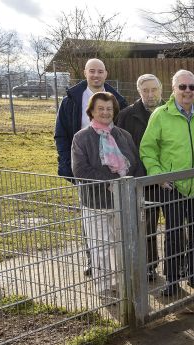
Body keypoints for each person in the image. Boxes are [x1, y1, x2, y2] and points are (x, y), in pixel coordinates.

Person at [141, 70, 194, 297]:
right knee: (174, 233)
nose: (187, 91)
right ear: (173, 89)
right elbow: (147, 148)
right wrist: (157, 174)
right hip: (171, 186)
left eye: (192, 87)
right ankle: (172, 280)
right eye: (182, 87)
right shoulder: (160, 115)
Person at [55, 58, 128, 277]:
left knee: (115, 217)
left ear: (106, 74)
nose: (96, 75)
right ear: (85, 73)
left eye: (100, 71)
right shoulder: (72, 99)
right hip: (85, 166)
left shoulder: (118, 100)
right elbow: (61, 133)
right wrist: (68, 166)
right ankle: (93, 259)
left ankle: (117, 264)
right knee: (90, 215)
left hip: (114, 167)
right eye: (92, 71)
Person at [70, 92, 142, 303]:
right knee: (100, 246)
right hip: (96, 202)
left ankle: (124, 284)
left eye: (109, 109)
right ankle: (104, 288)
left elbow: (136, 164)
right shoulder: (81, 138)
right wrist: (111, 182)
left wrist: (129, 183)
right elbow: (81, 170)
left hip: (124, 202)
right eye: (100, 108)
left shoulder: (123, 136)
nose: (105, 112)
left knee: (123, 245)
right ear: (91, 111)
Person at [115, 74, 163, 281]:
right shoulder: (127, 115)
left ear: (161, 89)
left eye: (154, 89)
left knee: (177, 224)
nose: (150, 94)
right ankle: (149, 265)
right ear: (139, 91)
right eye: (146, 90)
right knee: (147, 225)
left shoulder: (170, 110)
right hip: (143, 180)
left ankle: (178, 265)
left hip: (171, 175)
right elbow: (120, 147)